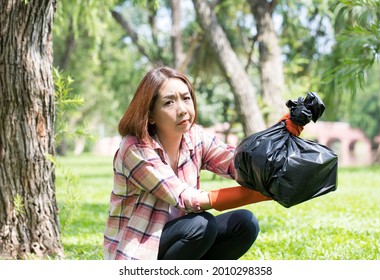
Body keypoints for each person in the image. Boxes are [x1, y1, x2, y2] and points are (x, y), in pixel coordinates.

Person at [103, 66, 277, 260]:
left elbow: (237, 163)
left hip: (181, 239)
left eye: (186, 99)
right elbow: (186, 197)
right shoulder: (134, 148)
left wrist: (288, 128)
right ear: (150, 114)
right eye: (169, 102)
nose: (182, 110)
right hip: (137, 253)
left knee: (245, 223)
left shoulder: (194, 136)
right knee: (201, 225)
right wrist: (258, 195)